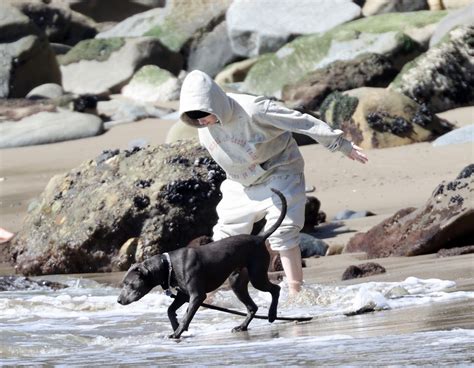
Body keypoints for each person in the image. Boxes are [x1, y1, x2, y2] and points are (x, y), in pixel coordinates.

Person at [179, 70, 368, 296]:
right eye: (195, 118)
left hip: (280, 170)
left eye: (204, 114)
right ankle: (206, 295)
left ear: (216, 104)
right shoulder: (203, 127)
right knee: (224, 237)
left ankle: (296, 292)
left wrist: (339, 144)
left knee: (284, 231)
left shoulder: (254, 109)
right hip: (241, 183)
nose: (202, 121)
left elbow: (301, 121)